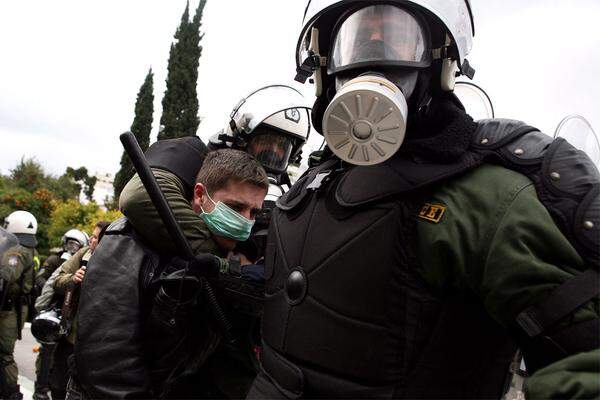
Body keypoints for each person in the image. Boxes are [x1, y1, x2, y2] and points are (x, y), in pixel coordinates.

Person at [248, 1, 600, 399]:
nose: (373, 57)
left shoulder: (486, 195)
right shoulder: (314, 180)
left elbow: (583, 360)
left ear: (441, 63)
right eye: (359, 39)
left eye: (397, 38)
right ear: (325, 67)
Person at [71, 139, 269, 399]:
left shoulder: (230, 262)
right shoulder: (128, 242)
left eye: (254, 213)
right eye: (235, 207)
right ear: (199, 195)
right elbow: (108, 369)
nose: (245, 221)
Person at [208, 84, 312, 263]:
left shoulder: (292, 188)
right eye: (266, 140)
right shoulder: (205, 161)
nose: (273, 150)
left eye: (282, 146)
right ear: (240, 141)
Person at [47, 221, 110, 400]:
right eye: (92, 235)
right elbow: (57, 281)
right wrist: (72, 279)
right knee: (58, 383)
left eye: (96, 237)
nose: (91, 239)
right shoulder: (83, 254)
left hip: (95, 340)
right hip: (70, 333)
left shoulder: (115, 261)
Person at [33, 228, 89, 400]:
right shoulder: (54, 259)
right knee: (46, 352)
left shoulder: (83, 259)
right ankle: (41, 389)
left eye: (75, 243)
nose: (72, 246)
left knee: (63, 361)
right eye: (69, 242)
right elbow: (44, 280)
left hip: (70, 316)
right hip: (54, 311)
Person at [0, 211, 38, 400]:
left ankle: (11, 393)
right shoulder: (24, 248)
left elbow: (8, 275)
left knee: (4, 352)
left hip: (11, 308)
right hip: (11, 306)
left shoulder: (18, 251)